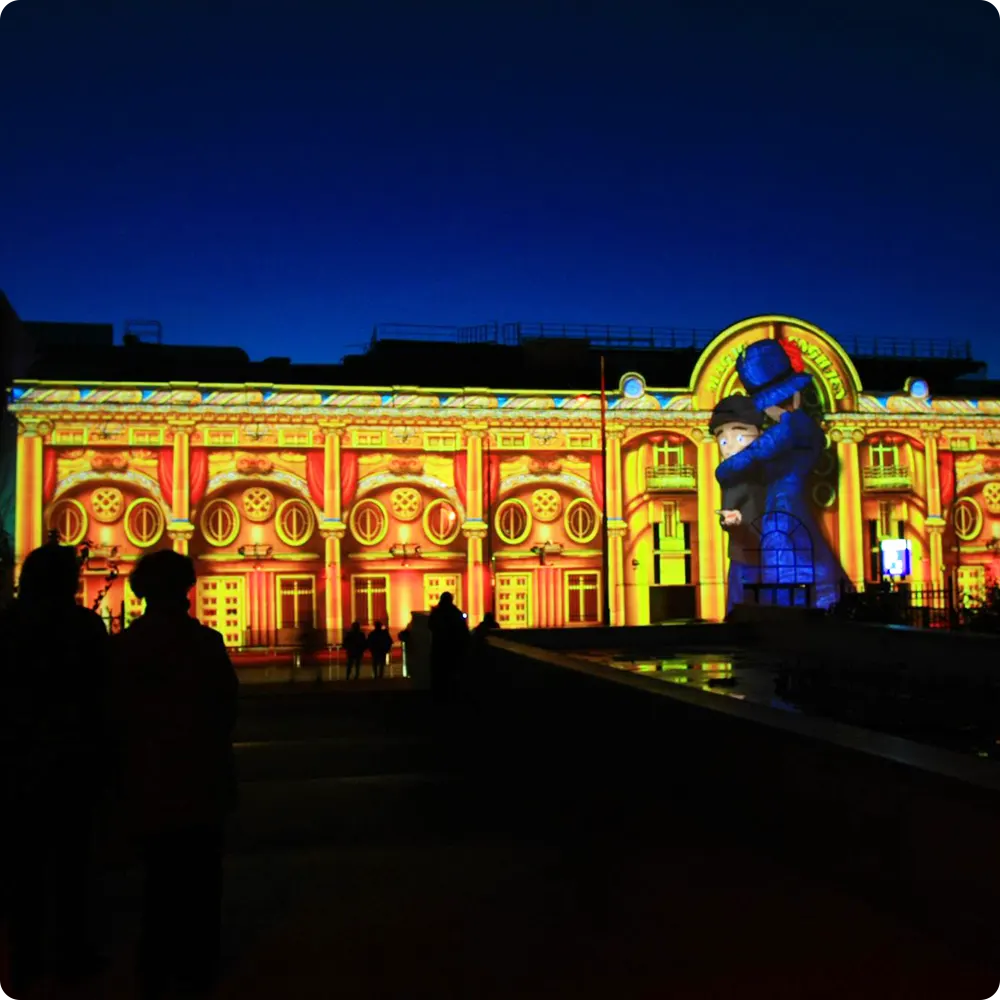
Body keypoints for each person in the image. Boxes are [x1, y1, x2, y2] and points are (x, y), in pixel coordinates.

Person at [107, 550, 238, 998]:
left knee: (157, 883)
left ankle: (155, 967)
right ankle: (198, 967)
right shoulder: (206, 643)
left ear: (141, 592)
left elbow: (113, 720)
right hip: (201, 781)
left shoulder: (125, 647)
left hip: (147, 782)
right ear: (188, 588)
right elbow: (225, 711)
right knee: (202, 881)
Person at [0, 543, 110, 996]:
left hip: (16, 762)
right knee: (72, 869)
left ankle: (24, 960)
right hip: (72, 762)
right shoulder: (82, 626)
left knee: (22, 870)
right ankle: (71, 956)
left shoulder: (7, 625)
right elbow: (104, 696)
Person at [715, 338, 846, 609]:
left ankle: (796, 611)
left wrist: (724, 470)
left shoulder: (791, 427)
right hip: (787, 504)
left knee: (786, 563)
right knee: (799, 556)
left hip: (784, 506)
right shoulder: (801, 427)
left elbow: (755, 454)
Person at [710, 394, 767, 615]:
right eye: (723, 441)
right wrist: (732, 521)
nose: (730, 447)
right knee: (742, 604)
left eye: (740, 438)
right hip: (745, 554)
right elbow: (728, 515)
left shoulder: (767, 471)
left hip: (769, 550)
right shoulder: (730, 477)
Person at [428, 592, 469, 699]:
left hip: (439, 649)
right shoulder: (456, 613)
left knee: (439, 676)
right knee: (453, 676)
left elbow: (431, 626)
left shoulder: (436, 613)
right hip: (454, 650)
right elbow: (464, 632)